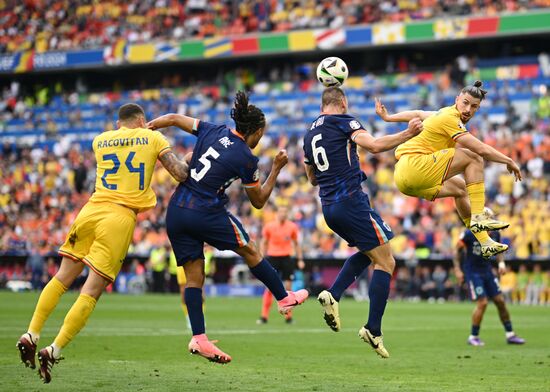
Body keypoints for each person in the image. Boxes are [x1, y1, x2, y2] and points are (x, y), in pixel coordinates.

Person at [16, 103, 190, 383]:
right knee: (92, 288)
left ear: (119, 122)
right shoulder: (154, 137)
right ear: (142, 120)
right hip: (119, 216)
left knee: (61, 277)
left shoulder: (100, 140)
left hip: (90, 210)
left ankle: (32, 332)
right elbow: (180, 174)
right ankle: (54, 348)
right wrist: (190, 158)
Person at [147, 91, 308, 364]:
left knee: (194, 279)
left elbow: (173, 118)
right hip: (205, 211)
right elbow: (258, 201)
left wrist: (149, 128)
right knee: (251, 250)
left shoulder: (213, 130)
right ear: (256, 131)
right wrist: (276, 169)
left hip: (176, 211)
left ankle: (199, 338)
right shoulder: (246, 156)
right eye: (261, 134)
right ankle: (283, 298)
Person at [303, 86, 423, 358]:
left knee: (371, 253)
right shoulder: (345, 121)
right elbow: (375, 145)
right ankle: (372, 329)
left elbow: (311, 177)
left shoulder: (309, 133)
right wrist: (408, 134)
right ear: (342, 102)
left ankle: (334, 294)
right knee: (386, 261)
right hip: (351, 202)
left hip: (329, 208)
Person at [375, 80, 523, 258]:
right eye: (465, 103)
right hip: (414, 166)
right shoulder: (449, 118)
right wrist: (508, 160)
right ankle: (478, 217)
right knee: (474, 157)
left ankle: (485, 242)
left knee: (461, 190)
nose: (468, 109)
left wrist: (389, 117)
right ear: (457, 99)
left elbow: (417, 113)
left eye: (474, 106)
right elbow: (481, 150)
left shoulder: (442, 112)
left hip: (405, 180)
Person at [453, 226, 525, 346]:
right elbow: (457, 250)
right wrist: (457, 269)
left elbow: (498, 250)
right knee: (483, 302)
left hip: (487, 271)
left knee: (500, 301)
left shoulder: (495, 234)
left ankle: (510, 334)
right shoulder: (469, 234)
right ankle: (473, 336)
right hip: (473, 272)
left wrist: (501, 264)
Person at [257, 204, 305, 325]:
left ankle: (288, 317)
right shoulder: (269, 226)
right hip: (272, 257)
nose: (283, 214)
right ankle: (264, 316)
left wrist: (300, 259)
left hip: (287, 257)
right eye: (281, 212)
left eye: (285, 212)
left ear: (287, 214)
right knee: (269, 287)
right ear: (277, 213)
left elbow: (296, 243)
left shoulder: (292, 227)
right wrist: (261, 256)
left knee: (288, 287)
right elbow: (264, 242)